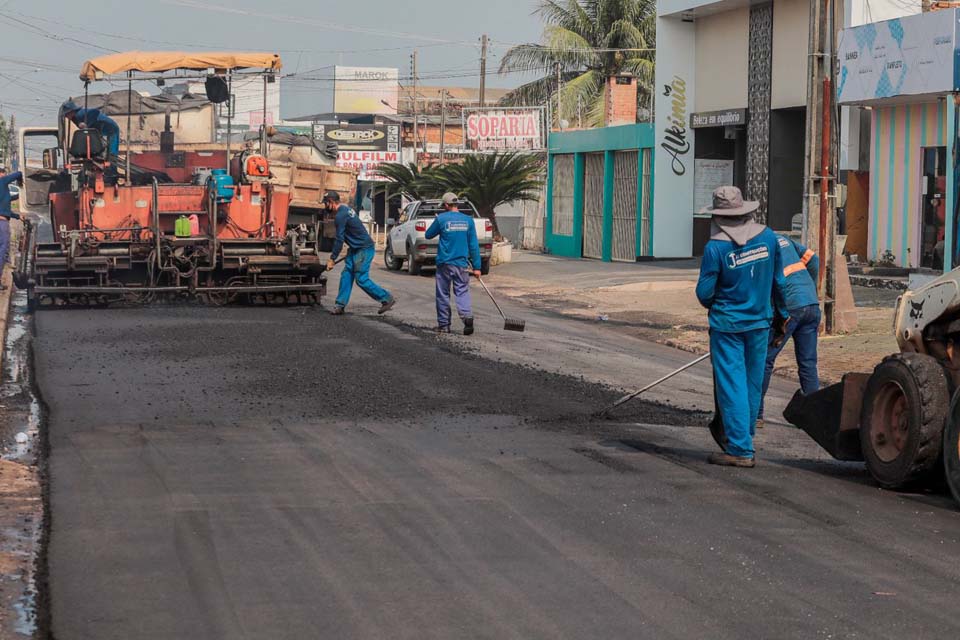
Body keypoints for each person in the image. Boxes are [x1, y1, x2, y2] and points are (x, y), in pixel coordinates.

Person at [696, 186, 784, 468]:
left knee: (732, 385)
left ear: (719, 217)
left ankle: (740, 450)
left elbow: (704, 293)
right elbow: (780, 283)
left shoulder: (716, 248)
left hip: (728, 326)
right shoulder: (768, 238)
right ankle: (744, 440)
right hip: (761, 324)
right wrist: (782, 318)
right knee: (751, 384)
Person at [757, 235, 820, 428]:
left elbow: (769, 284)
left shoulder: (759, 246)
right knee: (808, 363)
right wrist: (809, 288)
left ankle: (756, 414)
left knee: (765, 360)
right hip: (811, 304)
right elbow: (814, 259)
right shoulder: (782, 238)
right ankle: (814, 417)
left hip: (790, 308)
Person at [324, 190, 396, 316]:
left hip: (364, 248)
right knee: (346, 274)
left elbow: (339, 239)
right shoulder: (346, 210)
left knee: (361, 279)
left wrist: (332, 258)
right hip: (355, 249)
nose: (325, 207)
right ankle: (340, 305)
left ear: (331, 202)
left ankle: (386, 298)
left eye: (326, 203)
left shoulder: (340, 216)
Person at [425, 192, 481, 335]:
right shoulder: (468, 220)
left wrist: (437, 221)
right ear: (457, 204)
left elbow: (428, 235)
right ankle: (467, 316)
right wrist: (477, 267)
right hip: (461, 264)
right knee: (462, 291)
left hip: (444, 263)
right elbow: (473, 245)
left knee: (443, 294)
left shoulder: (442, 219)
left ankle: (444, 325)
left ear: (445, 205)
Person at [0, 172, 23, 289]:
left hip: (3, 219)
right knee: (3, 251)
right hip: (1, 223)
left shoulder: (3, 192)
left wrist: (18, 216)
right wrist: (21, 181)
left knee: (3, 252)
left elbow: (5, 206)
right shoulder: (2, 181)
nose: (4, 174)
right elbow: (19, 173)